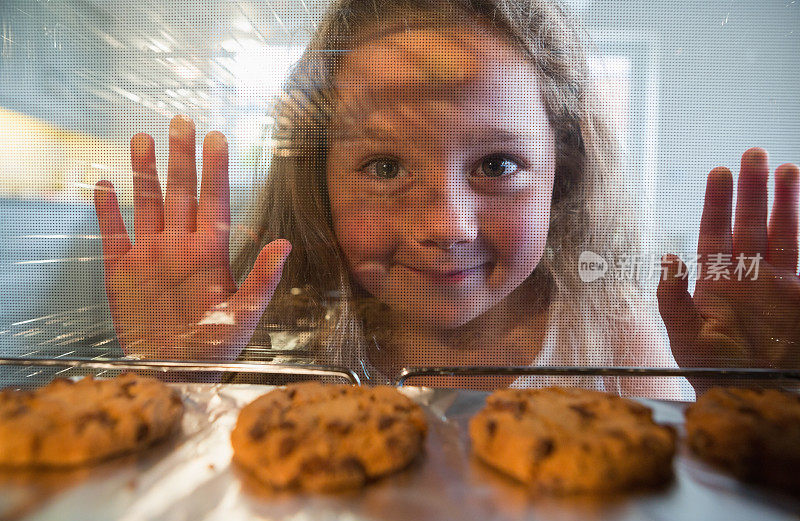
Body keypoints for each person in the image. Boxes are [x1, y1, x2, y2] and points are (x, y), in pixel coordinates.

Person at [93, 0, 799, 400]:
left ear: (565, 171)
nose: (446, 226)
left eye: (496, 164)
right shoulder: (278, 341)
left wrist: (752, 405)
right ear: (317, 180)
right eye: (384, 165)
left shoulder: (611, 343)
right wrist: (173, 381)